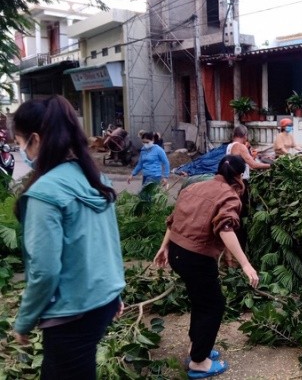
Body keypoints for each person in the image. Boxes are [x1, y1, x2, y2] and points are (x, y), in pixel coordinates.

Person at [11, 95, 125, 379]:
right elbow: (109, 242)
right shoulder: (93, 177)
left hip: (71, 313)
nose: (19, 150)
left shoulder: (44, 193)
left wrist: (24, 321)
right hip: (103, 302)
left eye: (19, 142)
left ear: (35, 140)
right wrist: (113, 291)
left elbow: (44, 272)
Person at [153, 155, 259, 379]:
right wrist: (246, 264)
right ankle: (199, 362)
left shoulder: (195, 186)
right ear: (239, 177)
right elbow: (225, 228)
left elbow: (173, 220)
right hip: (196, 259)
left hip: (177, 254)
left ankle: (196, 348)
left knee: (200, 301)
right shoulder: (229, 196)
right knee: (213, 306)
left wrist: (164, 247)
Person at [226, 125, 270, 251]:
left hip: (232, 182)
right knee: (241, 214)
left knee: (234, 212)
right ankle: (239, 247)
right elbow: (253, 165)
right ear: (245, 136)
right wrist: (272, 165)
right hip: (241, 183)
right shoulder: (240, 146)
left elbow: (246, 163)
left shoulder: (230, 146)